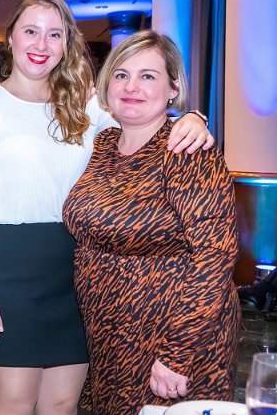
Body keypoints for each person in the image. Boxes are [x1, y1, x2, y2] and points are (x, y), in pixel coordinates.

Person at [0, 0, 214, 415]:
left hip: (75, 274)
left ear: (66, 44)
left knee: (62, 404)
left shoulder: (84, 106)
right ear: (10, 37)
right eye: (31, 31)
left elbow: (143, 120)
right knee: (14, 403)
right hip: (7, 274)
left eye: (54, 34)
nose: (41, 44)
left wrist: (192, 117)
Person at [63, 30, 239, 413]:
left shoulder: (187, 150)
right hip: (109, 334)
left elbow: (215, 256)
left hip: (171, 335)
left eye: (148, 76)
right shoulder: (104, 144)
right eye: (121, 74)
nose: (132, 86)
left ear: (173, 88)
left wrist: (178, 353)